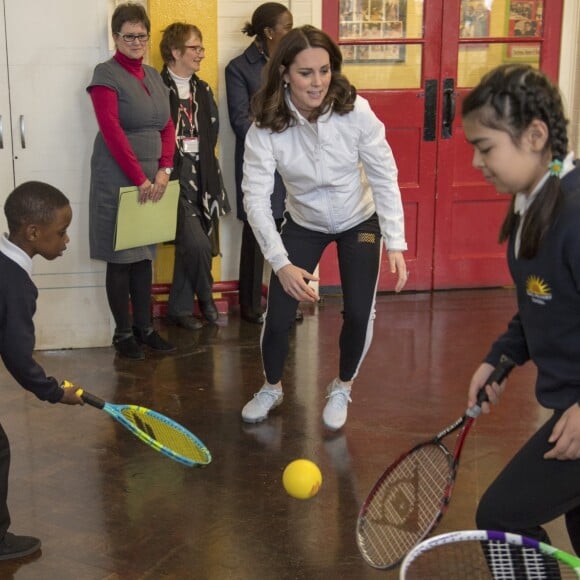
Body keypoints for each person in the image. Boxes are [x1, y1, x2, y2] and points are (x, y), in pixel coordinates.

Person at [240, 25, 408, 430]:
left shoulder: (356, 111)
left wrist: (396, 242)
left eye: (324, 70)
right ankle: (272, 387)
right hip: (304, 222)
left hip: (359, 220)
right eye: (305, 73)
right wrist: (280, 263)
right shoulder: (265, 124)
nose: (317, 83)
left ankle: (343, 386)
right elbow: (256, 199)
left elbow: (384, 175)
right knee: (278, 315)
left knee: (358, 313)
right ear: (284, 73)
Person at [463, 64, 580, 553]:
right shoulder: (531, 203)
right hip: (567, 407)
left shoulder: (575, 215)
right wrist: (501, 358)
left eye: (486, 147)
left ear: (535, 135)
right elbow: (541, 300)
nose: (475, 162)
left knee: (502, 516)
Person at [87, 2, 175, 360]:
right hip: (118, 176)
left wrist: (164, 169)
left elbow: (167, 125)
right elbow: (111, 131)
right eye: (129, 36)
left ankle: (146, 328)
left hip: (153, 178)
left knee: (144, 257)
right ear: (116, 37)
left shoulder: (154, 75)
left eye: (142, 35)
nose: (137, 41)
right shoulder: (105, 74)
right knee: (120, 256)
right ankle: (123, 334)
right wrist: (139, 177)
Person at [0, 181, 84, 559]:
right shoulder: (16, 284)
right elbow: (17, 356)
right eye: (61, 232)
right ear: (33, 233)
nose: (66, 241)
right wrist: (53, 391)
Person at [225, 3, 303, 325]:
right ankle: (251, 306)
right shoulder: (238, 68)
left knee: (290, 233)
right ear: (269, 32)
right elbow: (241, 122)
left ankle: (284, 303)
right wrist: (278, 136)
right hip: (259, 162)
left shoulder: (292, 64)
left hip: (291, 163)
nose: (292, 32)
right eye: (287, 26)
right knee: (257, 233)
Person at [159, 23, 230, 331]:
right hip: (173, 177)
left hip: (204, 177)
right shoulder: (157, 87)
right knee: (198, 245)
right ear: (176, 52)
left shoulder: (203, 89)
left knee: (192, 245)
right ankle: (207, 298)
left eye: (201, 48)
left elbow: (211, 132)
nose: (201, 53)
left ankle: (179, 308)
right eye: (195, 48)